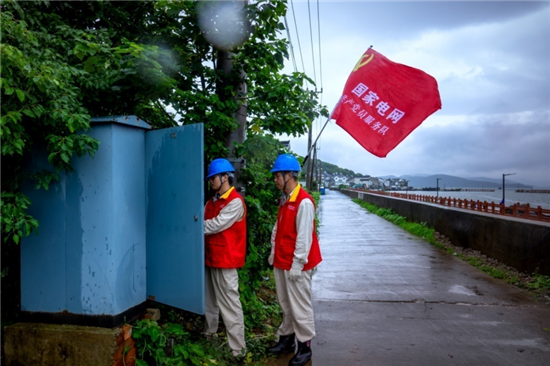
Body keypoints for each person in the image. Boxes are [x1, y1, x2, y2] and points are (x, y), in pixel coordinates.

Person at [268, 154, 322, 366]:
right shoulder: (285, 199)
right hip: (282, 260)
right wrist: (274, 253)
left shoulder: (304, 202)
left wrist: (298, 265)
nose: (275, 180)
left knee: (300, 305)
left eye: (277, 176)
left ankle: (305, 347)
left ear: (288, 175)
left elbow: (304, 237)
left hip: (296, 264)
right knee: (285, 303)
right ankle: (287, 339)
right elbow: (278, 229)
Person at [203, 158, 247, 358]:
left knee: (230, 304)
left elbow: (215, 225)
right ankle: (209, 336)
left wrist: (193, 226)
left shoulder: (235, 202)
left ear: (225, 177)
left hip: (227, 260)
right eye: (210, 178)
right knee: (209, 302)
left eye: (214, 178)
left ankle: (238, 350)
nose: (211, 181)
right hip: (211, 258)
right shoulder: (211, 201)